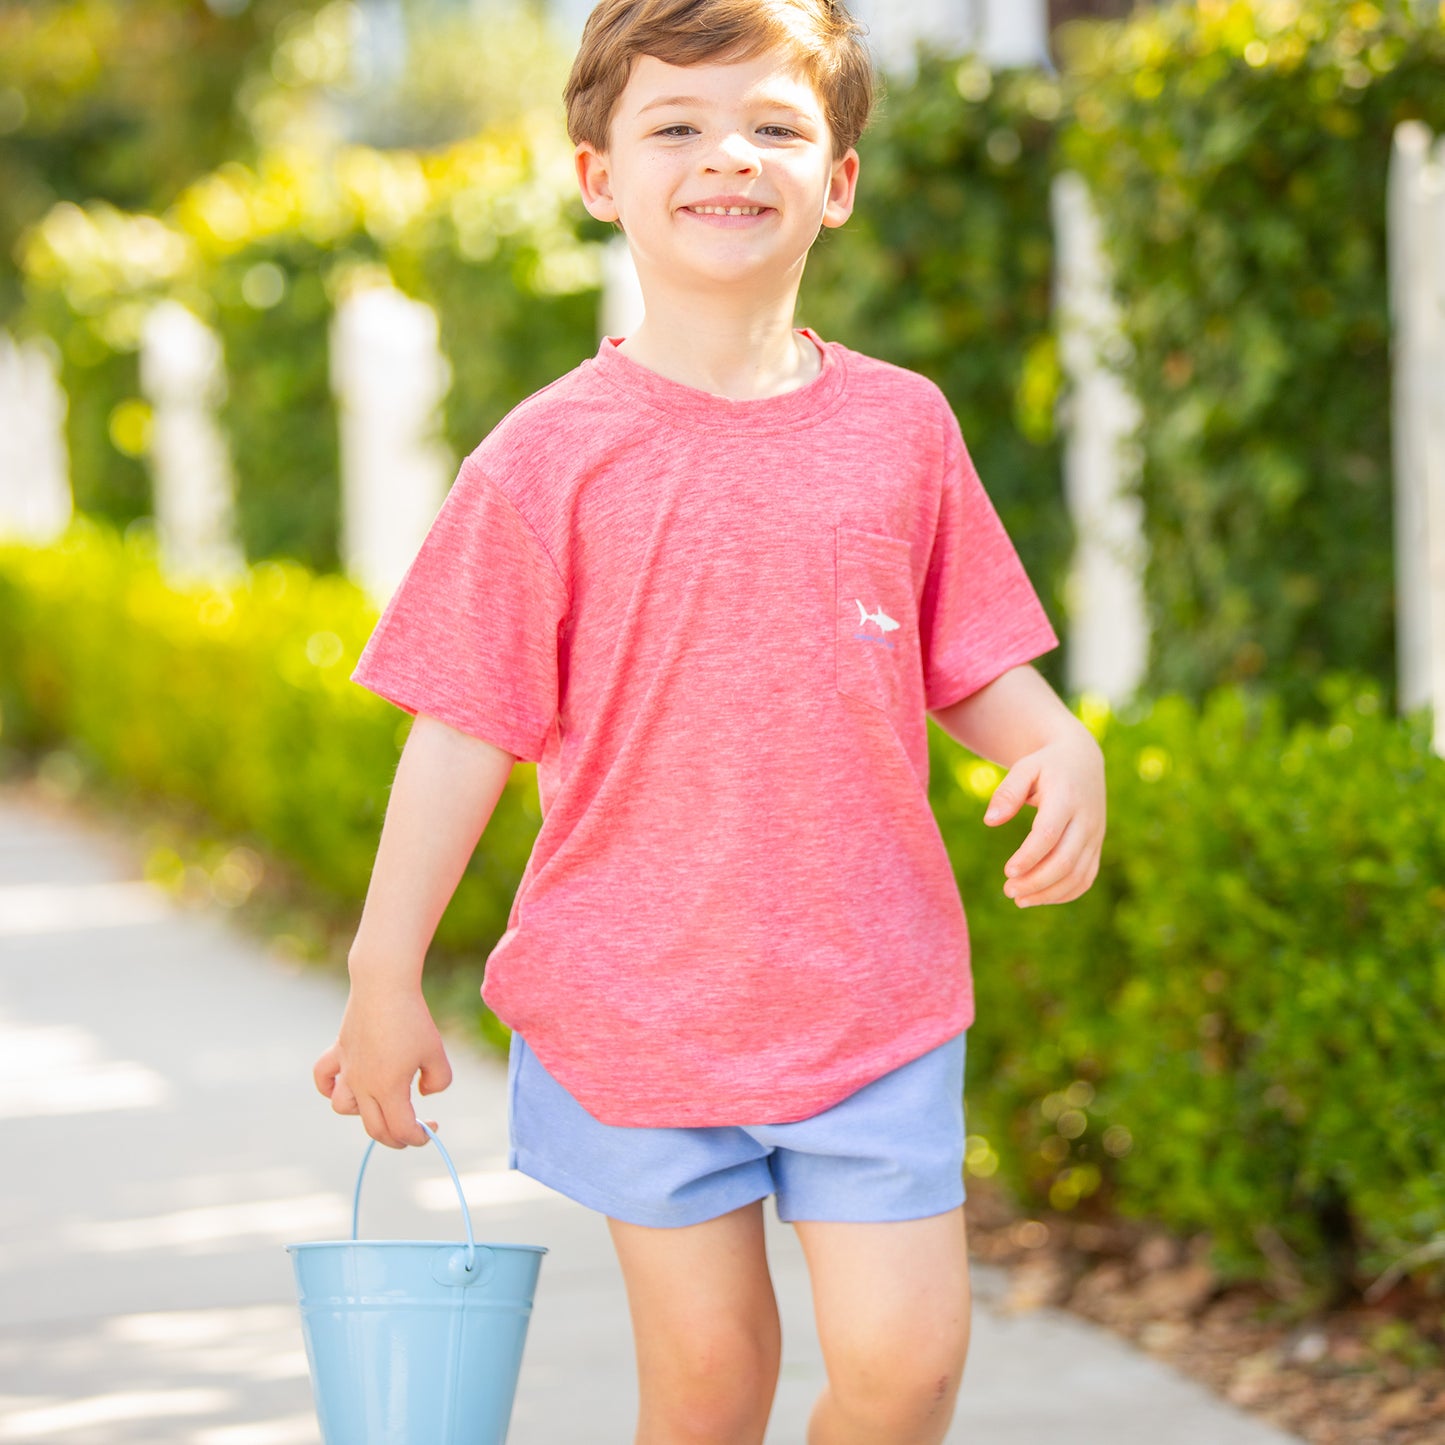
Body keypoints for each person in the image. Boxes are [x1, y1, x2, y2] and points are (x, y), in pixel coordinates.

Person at [314, 0, 1107, 1439]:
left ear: (839, 180)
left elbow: (970, 654)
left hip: (872, 992)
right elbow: (460, 728)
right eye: (675, 125)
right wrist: (386, 970)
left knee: (906, 1367)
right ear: (598, 174)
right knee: (711, 1373)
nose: (726, 156)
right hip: (635, 1004)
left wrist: (1057, 741)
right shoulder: (543, 458)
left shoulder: (902, 427)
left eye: (773, 126)